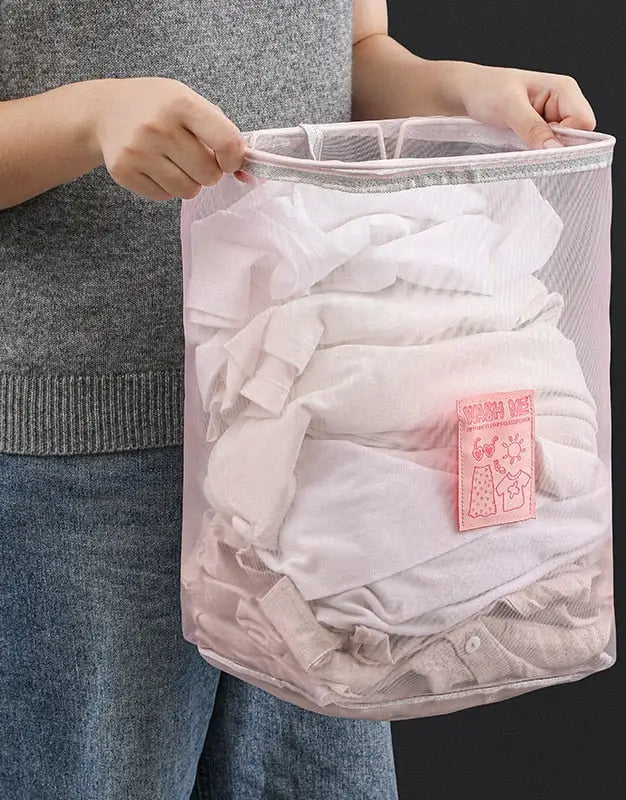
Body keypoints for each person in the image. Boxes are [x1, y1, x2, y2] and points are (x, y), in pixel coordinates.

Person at [0, 1, 596, 797]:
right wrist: (88, 116)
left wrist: (459, 92)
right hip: (91, 450)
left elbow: (352, 51)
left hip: (321, 438)